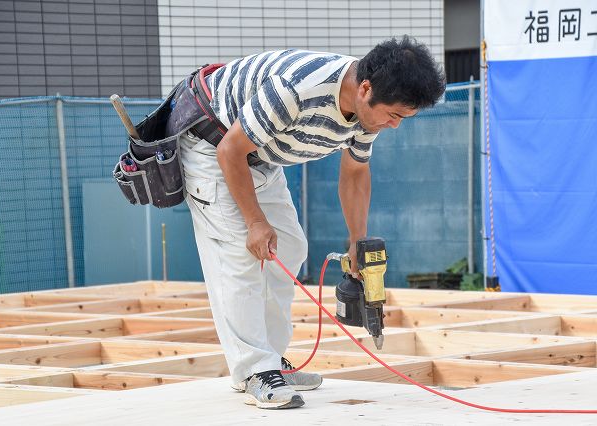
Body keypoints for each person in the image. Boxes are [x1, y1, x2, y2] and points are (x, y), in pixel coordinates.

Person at [177, 36, 445, 409]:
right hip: (214, 145)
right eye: (394, 115)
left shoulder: (369, 114)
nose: (395, 125)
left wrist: (357, 241)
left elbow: (354, 173)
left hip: (260, 156)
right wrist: (254, 222)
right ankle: (255, 371)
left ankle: (271, 361)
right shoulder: (298, 89)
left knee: (289, 247)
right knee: (240, 257)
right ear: (365, 89)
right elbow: (230, 150)